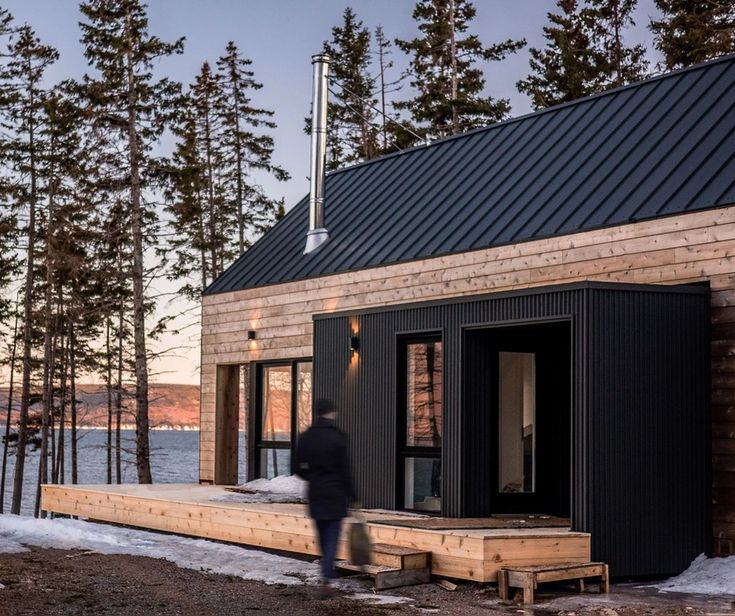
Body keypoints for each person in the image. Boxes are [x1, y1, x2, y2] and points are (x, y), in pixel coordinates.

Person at [292, 397, 355, 597]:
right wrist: (352, 495)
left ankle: (326, 571)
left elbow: (295, 468)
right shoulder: (338, 437)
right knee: (332, 537)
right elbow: (346, 470)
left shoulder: (306, 437)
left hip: (316, 492)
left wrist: (312, 477)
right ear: (331, 413)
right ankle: (327, 576)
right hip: (335, 493)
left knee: (322, 534)